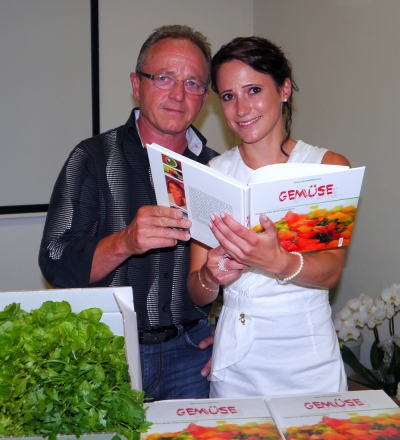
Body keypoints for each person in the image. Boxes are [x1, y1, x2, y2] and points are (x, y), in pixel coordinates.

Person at [38, 25, 219, 401]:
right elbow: (55, 261)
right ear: (137, 85)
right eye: (164, 78)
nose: (177, 94)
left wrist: (234, 332)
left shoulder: (218, 170)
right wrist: (124, 242)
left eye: (192, 83)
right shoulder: (92, 158)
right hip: (106, 353)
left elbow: (241, 268)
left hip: (193, 355)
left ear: (204, 97)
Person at [187, 36, 349, 398]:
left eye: (254, 90)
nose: (241, 108)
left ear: (285, 89)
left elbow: (331, 271)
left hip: (307, 358)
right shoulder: (211, 174)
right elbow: (196, 292)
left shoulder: (326, 167)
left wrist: (277, 261)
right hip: (237, 363)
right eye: (228, 96)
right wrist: (211, 274)